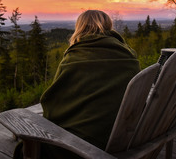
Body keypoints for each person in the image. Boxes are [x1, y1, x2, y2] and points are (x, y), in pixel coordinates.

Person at [38, 10, 141, 158]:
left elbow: (55, 101)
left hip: (83, 143)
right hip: (122, 133)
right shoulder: (128, 54)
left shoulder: (74, 56)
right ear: (108, 26)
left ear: (80, 27)